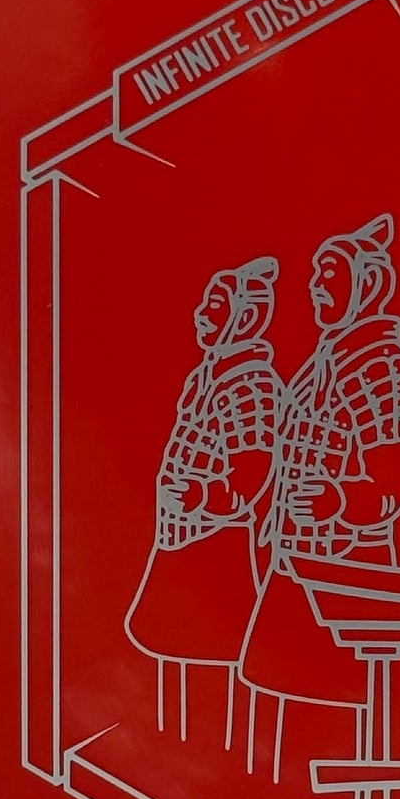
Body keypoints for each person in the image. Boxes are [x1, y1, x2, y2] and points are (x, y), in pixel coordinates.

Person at [240, 216, 400, 710]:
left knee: (344, 707)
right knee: (274, 699)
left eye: (329, 273)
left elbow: (394, 482)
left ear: (368, 285)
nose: (315, 285)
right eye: (315, 274)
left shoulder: (390, 369)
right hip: (289, 567)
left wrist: (340, 499)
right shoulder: (316, 367)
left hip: (349, 578)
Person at [124, 258, 282, 717]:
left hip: (219, 547)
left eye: (215, 305)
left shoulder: (252, 386)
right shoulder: (204, 378)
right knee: (170, 647)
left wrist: (202, 497)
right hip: (180, 541)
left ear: (245, 317)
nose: (201, 314)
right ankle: (170, 733)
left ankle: (222, 741)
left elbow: (252, 473)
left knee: (217, 654)